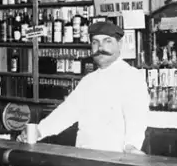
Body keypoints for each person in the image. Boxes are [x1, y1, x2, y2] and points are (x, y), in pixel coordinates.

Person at [19, 20, 149, 153]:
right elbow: (67, 111)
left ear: (120, 44)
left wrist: (132, 146)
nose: (100, 48)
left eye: (107, 41)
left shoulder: (131, 77)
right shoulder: (88, 81)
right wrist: (39, 131)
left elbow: (136, 119)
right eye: (95, 42)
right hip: (84, 157)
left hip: (114, 159)